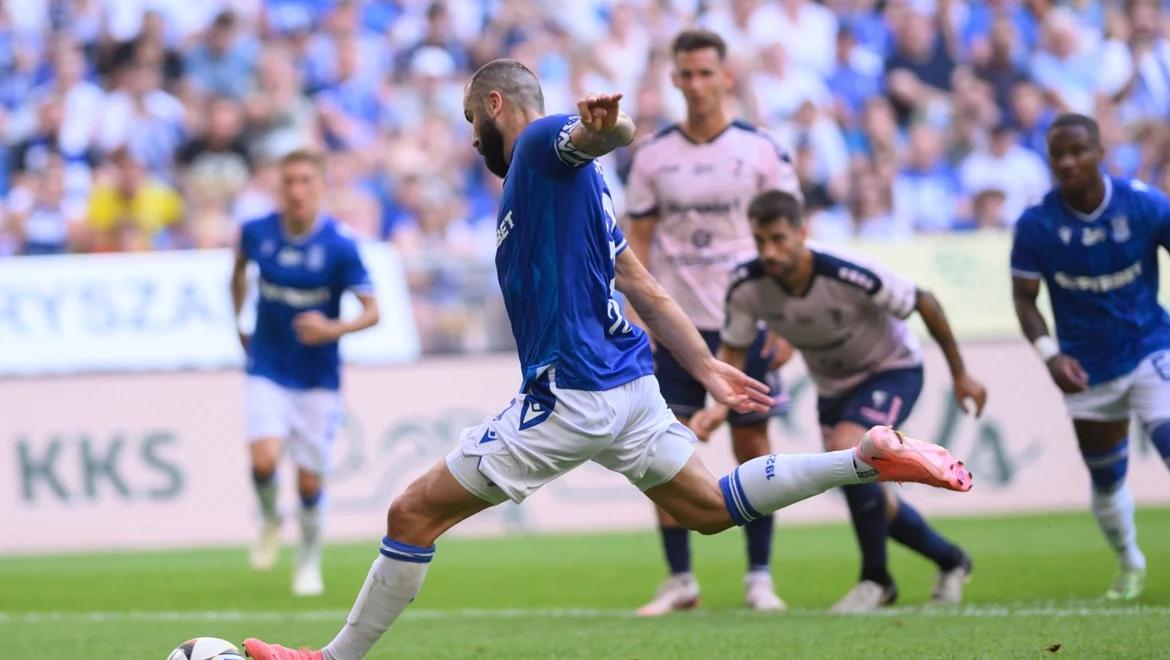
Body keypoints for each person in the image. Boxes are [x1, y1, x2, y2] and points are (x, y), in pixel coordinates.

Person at [243, 60, 972, 660]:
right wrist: (711, 365)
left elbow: (597, 135)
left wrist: (608, 126)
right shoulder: (582, 195)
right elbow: (644, 286)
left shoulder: (535, 147)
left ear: (495, 104)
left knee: (412, 512)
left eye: (471, 122)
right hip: (632, 386)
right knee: (712, 507)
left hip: (574, 393)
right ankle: (866, 459)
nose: (472, 142)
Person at [691, 189, 985, 613]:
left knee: (849, 448)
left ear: (802, 233)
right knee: (869, 491)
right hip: (833, 388)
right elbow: (733, 352)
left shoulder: (848, 272)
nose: (768, 252)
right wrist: (717, 408)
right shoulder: (746, 285)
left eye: (778, 239)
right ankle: (951, 559)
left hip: (891, 368)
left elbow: (925, 301)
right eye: (760, 241)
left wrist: (961, 374)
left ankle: (876, 579)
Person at [624, 29, 799, 615]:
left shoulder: (761, 150)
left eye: (706, 73)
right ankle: (681, 581)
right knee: (662, 452)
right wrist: (636, 318)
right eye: (686, 74)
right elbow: (636, 243)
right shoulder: (652, 155)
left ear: (726, 77)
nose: (696, 84)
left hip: (747, 321)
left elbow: (794, 239)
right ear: (674, 79)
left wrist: (788, 321)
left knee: (752, 442)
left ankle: (759, 576)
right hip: (675, 329)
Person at [1010, 113, 1170, 599]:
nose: (1068, 162)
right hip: (1085, 366)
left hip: (1150, 347)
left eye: (1078, 151)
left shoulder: (1143, 204)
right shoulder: (1036, 225)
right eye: (1059, 154)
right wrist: (1050, 356)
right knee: (1106, 477)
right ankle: (1129, 561)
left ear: (1100, 153)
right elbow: (1025, 299)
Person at [231, 149, 380, 597]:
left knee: (310, 479)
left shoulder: (339, 245)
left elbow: (373, 311)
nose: (296, 190)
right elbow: (237, 271)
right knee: (262, 459)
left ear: (320, 187)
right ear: (279, 186)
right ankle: (271, 517)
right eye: (288, 181)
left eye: (305, 181)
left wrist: (333, 327)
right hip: (268, 366)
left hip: (318, 376)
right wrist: (239, 322)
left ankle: (308, 558)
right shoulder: (257, 232)